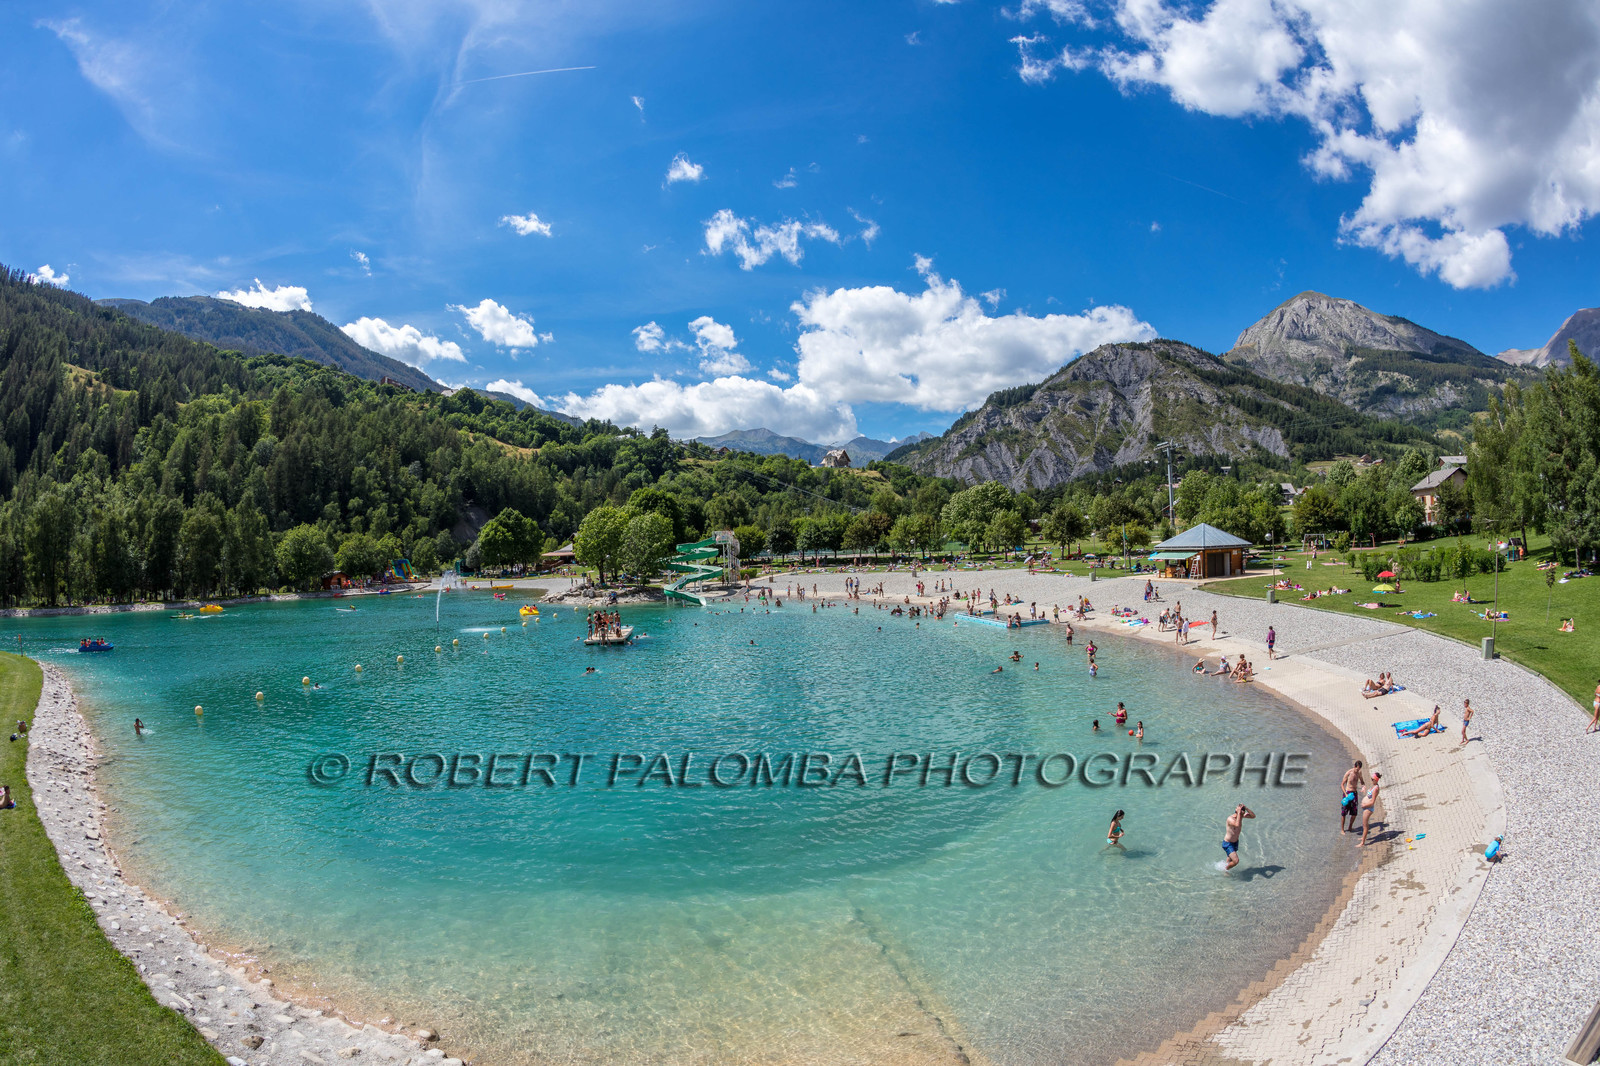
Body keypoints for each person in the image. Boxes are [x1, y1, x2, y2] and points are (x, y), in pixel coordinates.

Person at [1222, 804, 1254, 871]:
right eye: (1242, 810)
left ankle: (1226, 866)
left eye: (1243, 810)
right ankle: (1225, 869)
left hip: (1235, 842)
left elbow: (1253, 816)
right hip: (1228, 843)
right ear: (1237, 811)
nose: (1243, 813)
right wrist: (1239, 812)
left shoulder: (1241, 816)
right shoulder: (1230, 819)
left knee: (1230, 858)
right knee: (1236, 861)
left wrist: (1246, 808)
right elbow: (1237, 825)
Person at [1358, 772, 1382, 847]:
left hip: (1368, 808)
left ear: (1376, 780)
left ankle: (1362, 843)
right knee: (1364, 824)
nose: (1371, 780)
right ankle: (1363, 837)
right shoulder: (1374, 786)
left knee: (1365, 825)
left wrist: (1364, 805)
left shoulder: (1376, 789)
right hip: (1366, 808)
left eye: (1372, 779)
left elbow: (1372, 802)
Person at [1340, 760, 1364, 832]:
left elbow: (1362, 781)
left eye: (1359, 769)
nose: (1357, 770)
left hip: (1354, 793)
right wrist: (1346, 794)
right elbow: (1342, 785)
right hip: (1347, 792)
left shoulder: (1359, 773)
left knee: (1354, 813)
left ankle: (1350, 827)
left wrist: (1363, 786)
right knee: (1344, 813)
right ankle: (1342, 829)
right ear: (1354, 766)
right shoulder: (1349, 773)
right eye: (1356, 769)